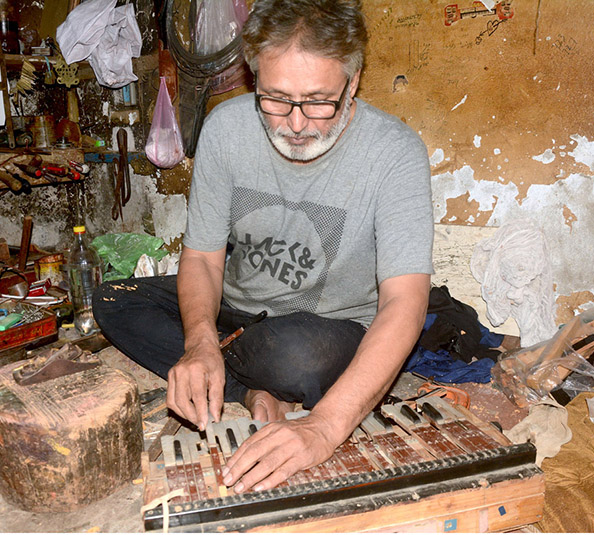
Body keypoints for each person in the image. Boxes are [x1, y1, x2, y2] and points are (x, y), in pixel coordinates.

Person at [93, 0, 433, 494]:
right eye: (275, 99)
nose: (296, 124)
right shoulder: (226, 128)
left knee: (295, 357)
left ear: (352, 81)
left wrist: (325, 427)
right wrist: (200, 341)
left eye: (319, 101)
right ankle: (250, 389)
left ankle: (258, 378)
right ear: (253, 78)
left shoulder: (395, 153)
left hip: (325, 330)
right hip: (240, 313)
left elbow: (405, 302)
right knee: (113, 301)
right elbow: (204, 260)